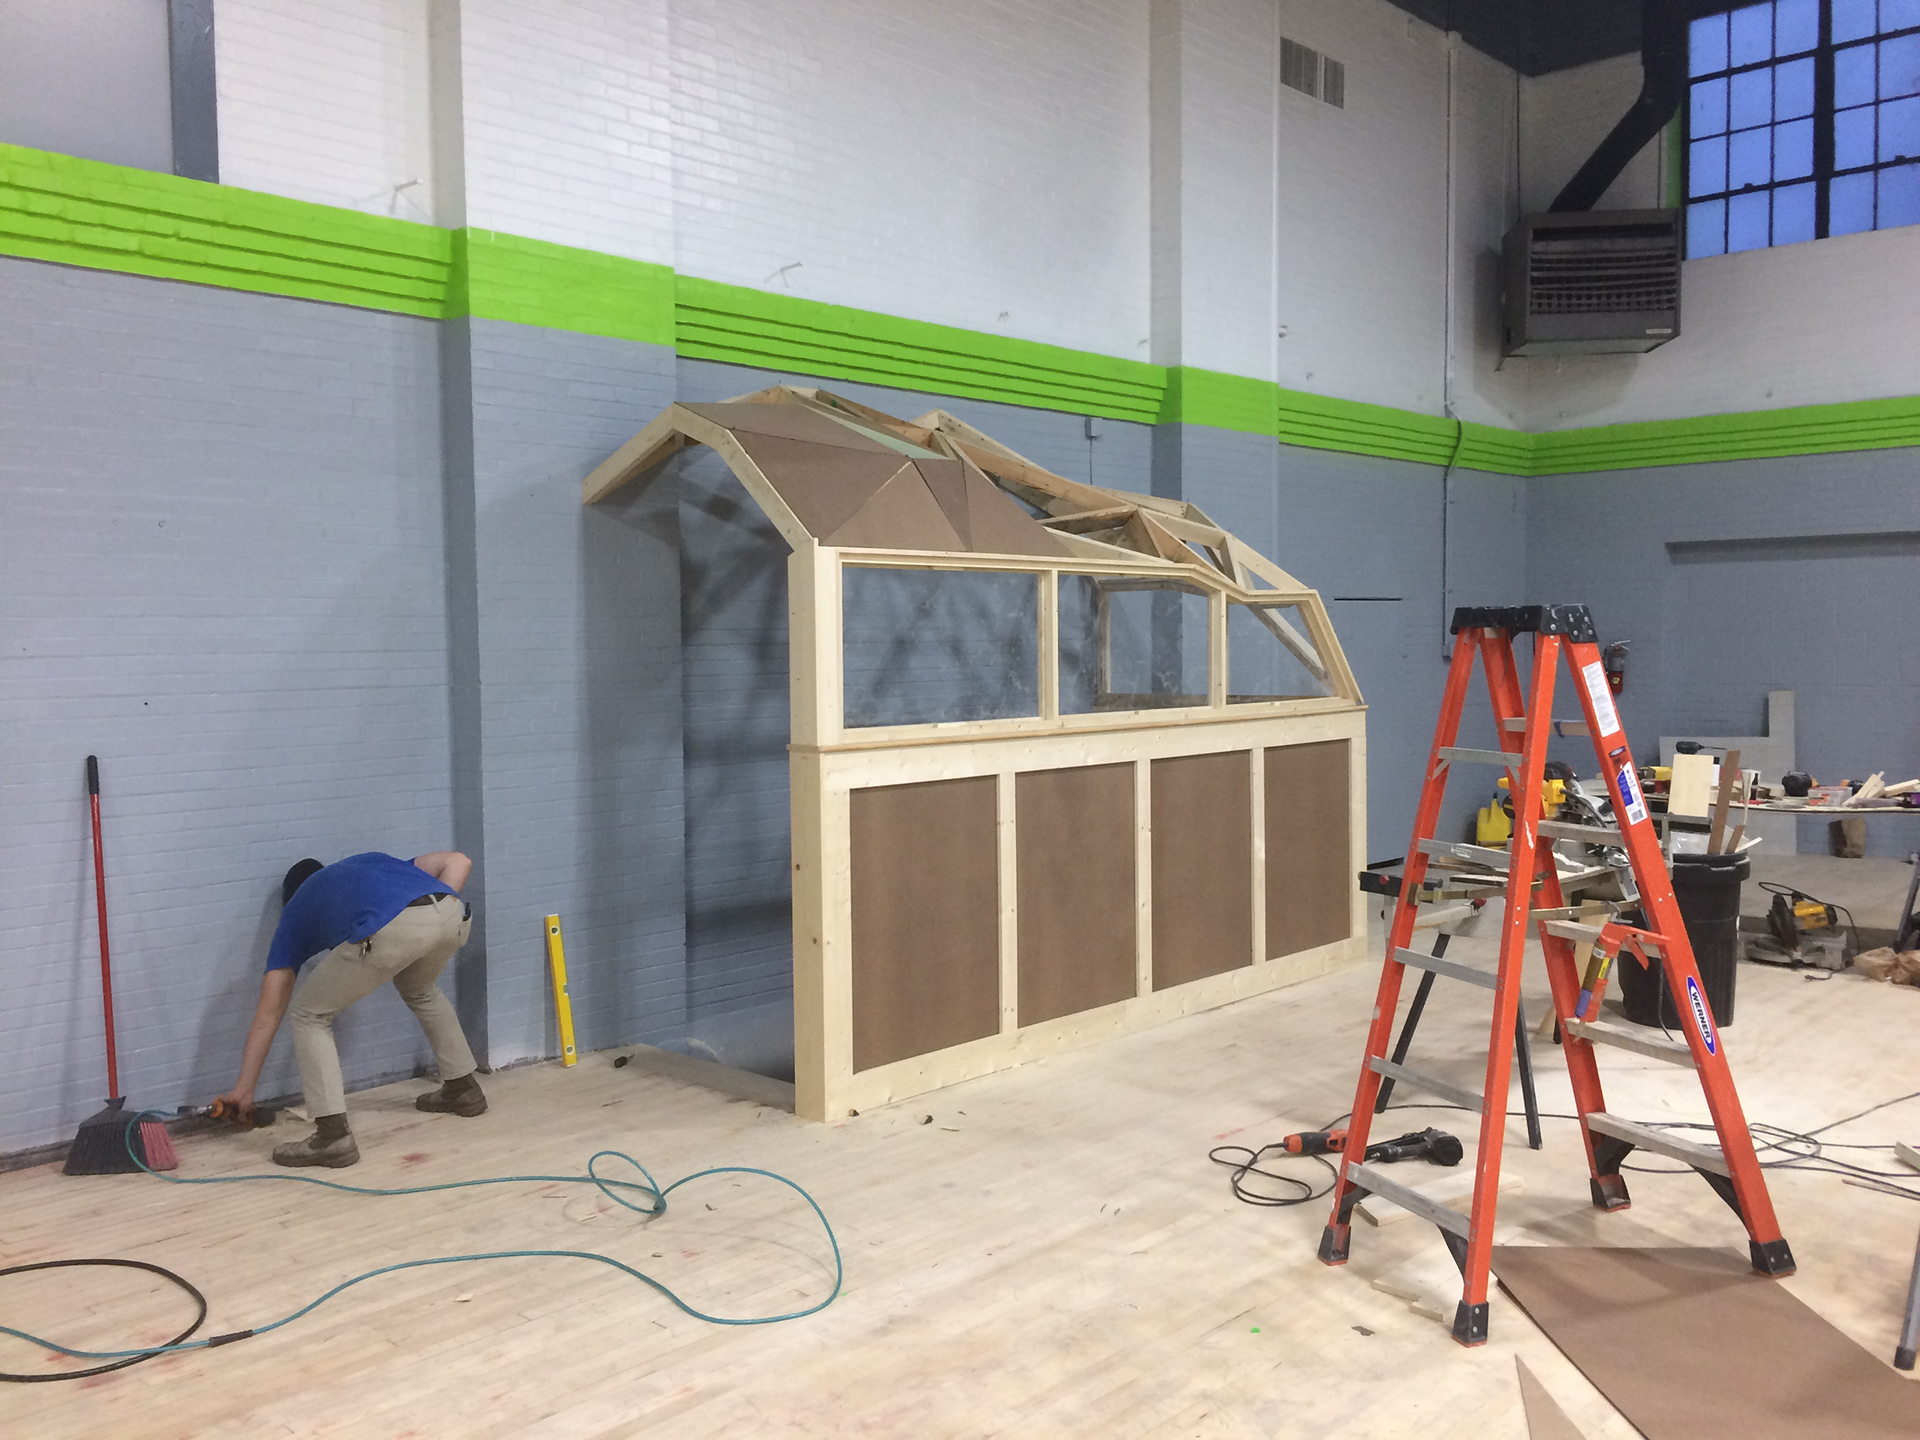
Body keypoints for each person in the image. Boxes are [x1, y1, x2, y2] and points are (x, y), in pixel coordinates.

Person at [214, 851, 486, 1168]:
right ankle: (463, 1089)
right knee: (421, 990)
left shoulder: (296, 911)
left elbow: (268, 1013)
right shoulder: (371, 865)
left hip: (396, 922)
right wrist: (431, 921)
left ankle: (332, 1136)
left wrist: (244, 1089)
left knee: (309, 1014)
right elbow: (460, 861)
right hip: (453, 914)